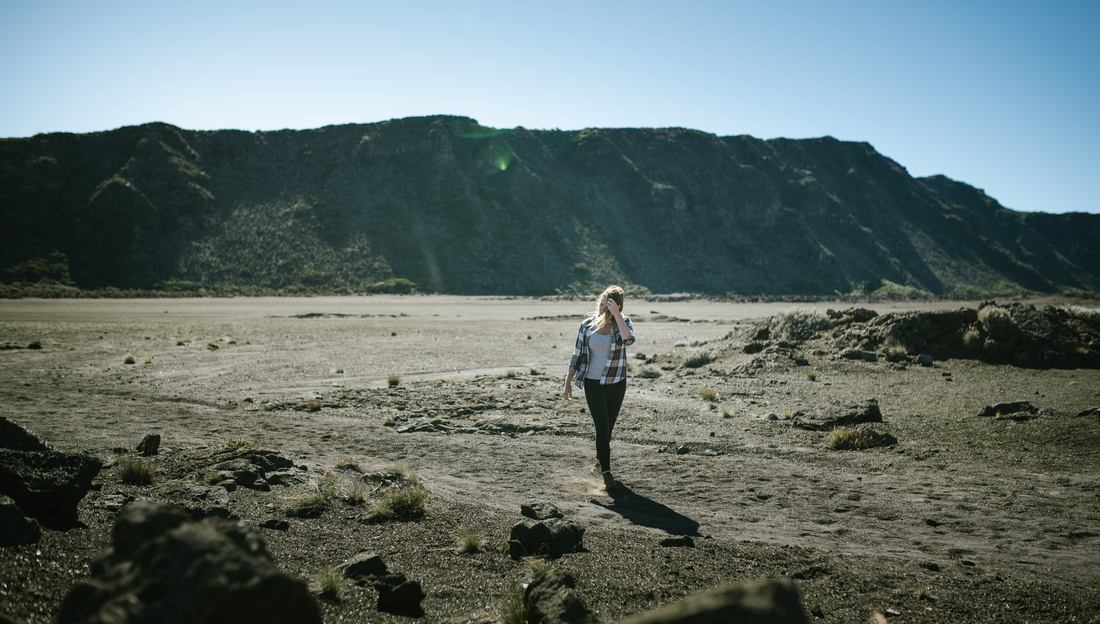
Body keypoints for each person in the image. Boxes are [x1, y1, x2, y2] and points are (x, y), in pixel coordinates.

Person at [564, 285, 636, 490]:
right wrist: (567, 383)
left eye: (609, 305)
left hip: (616, 382)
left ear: (618, 306)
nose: (603, 307)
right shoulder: (587, 325)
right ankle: (606, 472)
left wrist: (617, 315)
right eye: (603, 303)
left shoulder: (623, 323)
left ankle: (599, 464)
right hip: (593, 383)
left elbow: (629, 340)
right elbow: (576, 356)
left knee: (608, 428)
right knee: (602, 428)